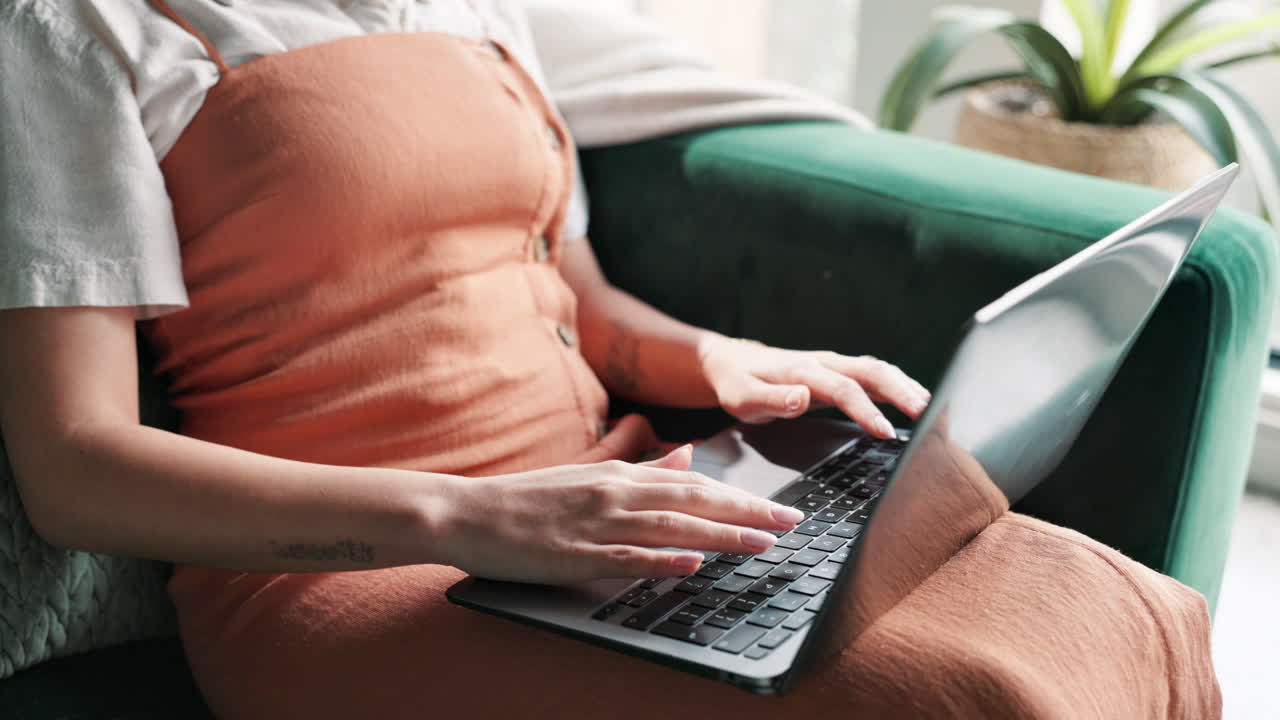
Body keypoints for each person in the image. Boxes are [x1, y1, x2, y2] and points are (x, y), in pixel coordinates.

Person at [0, 2, 1220, 718]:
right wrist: (471, 519)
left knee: (1112, 604)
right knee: (959, 698)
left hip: (612, 487)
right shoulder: (76, 30)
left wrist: (720, 359)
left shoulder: (472, 9)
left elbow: (574, 297)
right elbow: (75, 466)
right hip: (345, 575)